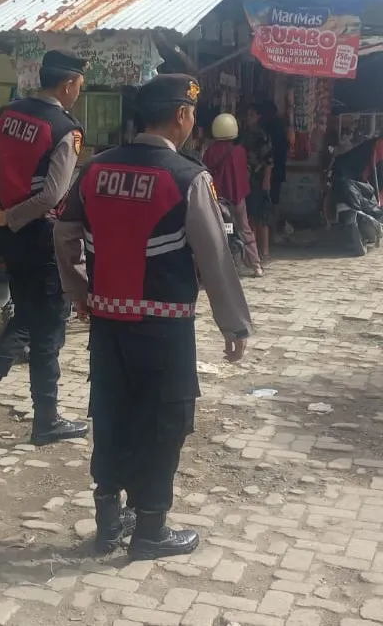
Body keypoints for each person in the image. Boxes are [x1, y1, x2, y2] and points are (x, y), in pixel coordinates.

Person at [55, 74, 253, 560]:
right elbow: (214, 257)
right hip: (165, 329)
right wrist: (234, 324)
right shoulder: (188, 178)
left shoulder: (95, 169)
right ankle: (150, 529)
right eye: (192, 114)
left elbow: (64, 234)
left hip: (108, 325)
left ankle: (108, 521)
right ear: (182, 115)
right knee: (164, 421)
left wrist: (81, 292)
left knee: (112, 412)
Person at [0, 50, 90, 445]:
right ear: (68, 85)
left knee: (28, 316)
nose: (78, 93)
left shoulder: (8, 113)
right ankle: (45, 420)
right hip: (41, 236)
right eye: (79, 86)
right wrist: (16, 214)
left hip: (11, 238)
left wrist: (9, 205)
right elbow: (53, 195)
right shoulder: (65, 130)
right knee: (48, 330)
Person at [202, 113, 264, 277]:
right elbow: (242, 176)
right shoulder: (239, 151)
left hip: (217, 199)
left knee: (219, 230)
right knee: (244, 228)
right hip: (237, 199)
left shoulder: (210, 151)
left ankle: (220, 266)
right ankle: (256, 265)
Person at [241, 104, 276, 263]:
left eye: (252, 115)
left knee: (261, 216)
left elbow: (269, 160)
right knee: (251, 217)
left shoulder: (261, 135)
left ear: (258, 117)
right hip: (248, 179)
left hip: (259, 179)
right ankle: (254, 253)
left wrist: (266, 180)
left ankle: (265, 252)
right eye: (247, 115)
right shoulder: (245, 135)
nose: (248, 118)